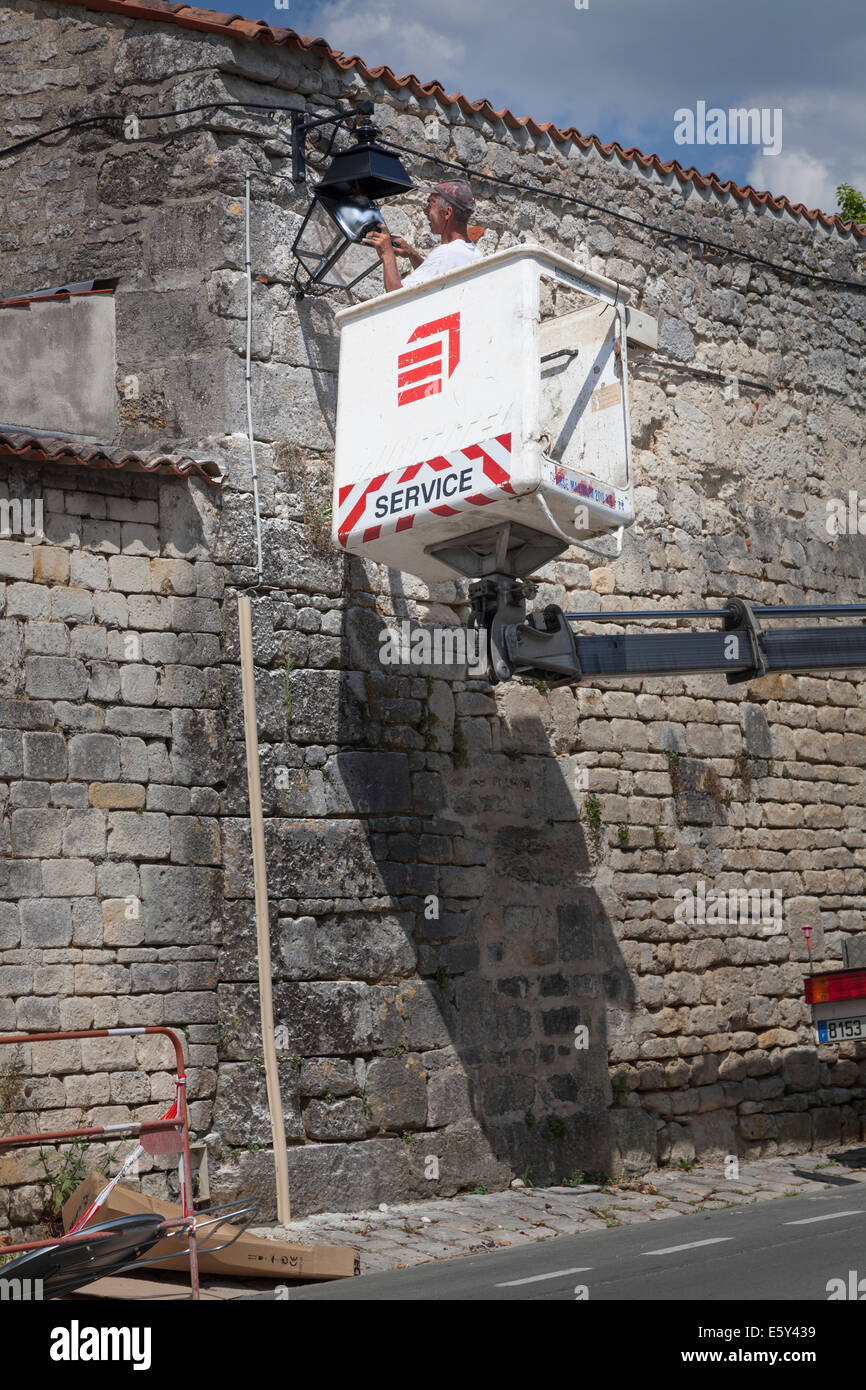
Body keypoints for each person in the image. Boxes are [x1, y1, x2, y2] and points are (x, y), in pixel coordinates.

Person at [365, 180, 481, 292]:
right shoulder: (474, 253)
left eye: (431, 204)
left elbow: (396, 295)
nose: (425, 211)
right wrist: (413, 254)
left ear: (447, 213)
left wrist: (387, 254)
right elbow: (432, 276)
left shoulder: (445, 254)